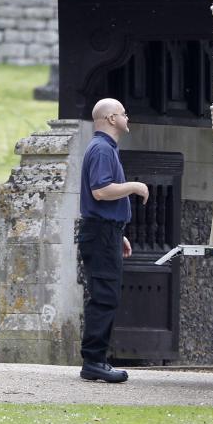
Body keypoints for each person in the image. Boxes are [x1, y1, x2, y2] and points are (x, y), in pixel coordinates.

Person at [77, 98, 149, 383]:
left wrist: (119, 234)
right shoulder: (102, 149)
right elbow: (101, 191)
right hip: (100, 233)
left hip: (107, 232)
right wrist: (135, 186)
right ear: (110, 119)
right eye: (123, 113)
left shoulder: (105, 148)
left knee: (107, 295)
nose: (127, 117)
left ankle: (95, 360)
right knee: (105, 296)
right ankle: (94, 361)